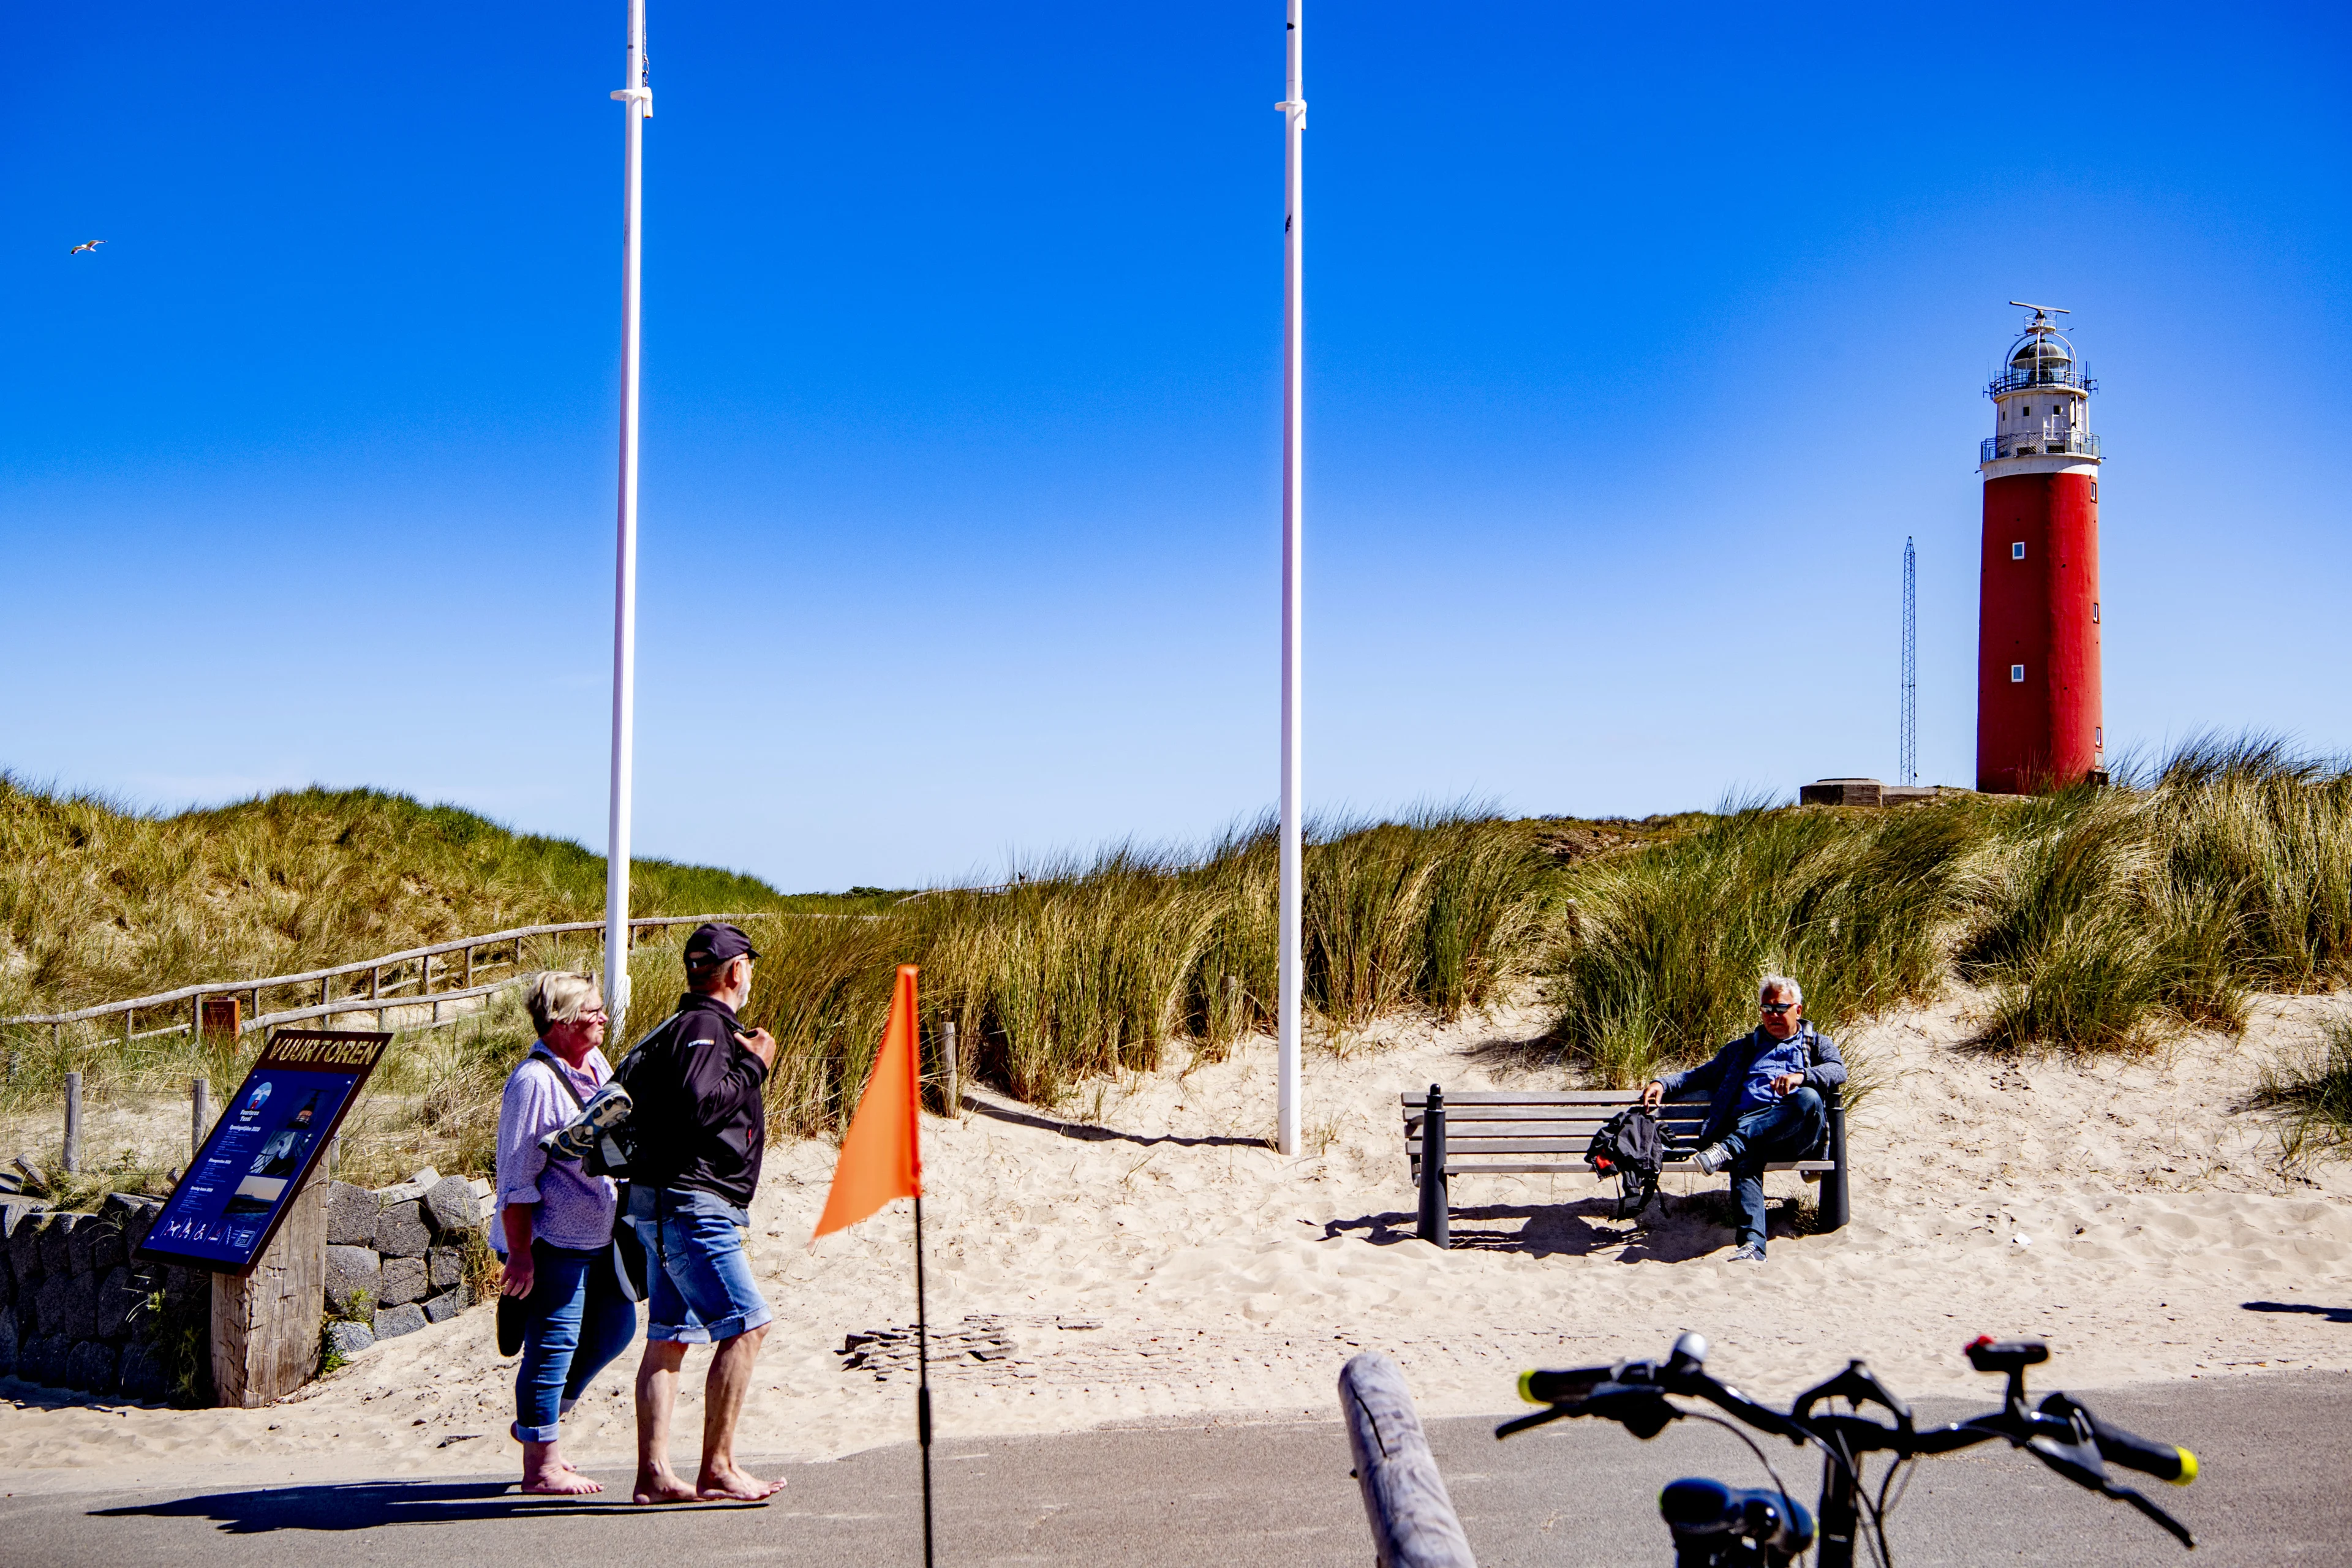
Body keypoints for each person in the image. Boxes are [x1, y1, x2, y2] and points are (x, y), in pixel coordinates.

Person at [622, 921, 784, 1504]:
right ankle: (717, 1467)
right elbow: (697, 1106)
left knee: (669, 1336)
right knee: (747, 1324)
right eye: (749, 969)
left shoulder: (683, 1025)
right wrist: (757, 1065)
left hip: (662, 1202)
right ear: (737, 971)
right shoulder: (705, 1025)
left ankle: (655, 1475)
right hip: (693, 1203)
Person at [495, 971, 639, 1495]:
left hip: (600, 1234)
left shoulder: (593, 1063)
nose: (603, 1018)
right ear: (559, 1022)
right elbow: (515, 1180)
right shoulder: (532, 1082)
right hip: (552, 1239)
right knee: (553, 1344)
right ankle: (541, 1466)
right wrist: (520, 1256)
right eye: (592, 1012)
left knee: (615, 1330)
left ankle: (541, 1426)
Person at [1642, 974, 1845, 1264]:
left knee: (1808, 1098)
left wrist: (1802, 1077)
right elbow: (1700, 1075)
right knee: (1746, 1156)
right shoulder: (1743, 1049)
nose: (1773, 1015)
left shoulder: (1816, 1045)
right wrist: (1663, 1083)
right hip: (1752, 1132)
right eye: (1767, 1009)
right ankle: (1753, 1246)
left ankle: (1729, 1146)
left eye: (1781, 1008)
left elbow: (1838, 1071)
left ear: (1798, 1010)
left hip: (1797, 1134)